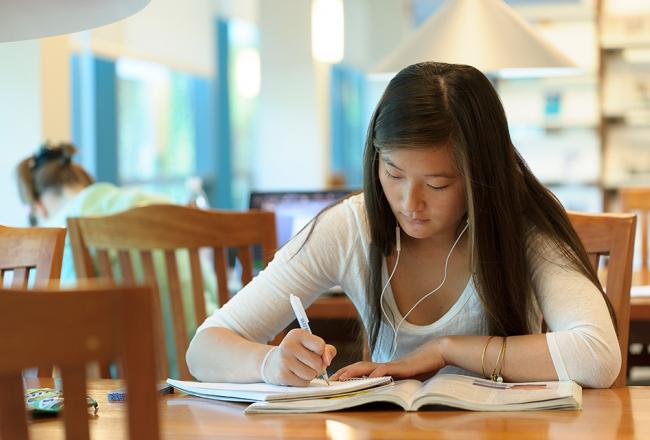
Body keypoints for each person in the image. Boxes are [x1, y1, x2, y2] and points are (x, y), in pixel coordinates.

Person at [186, 62, 620, 388]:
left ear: (482, 177)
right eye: (393, 174)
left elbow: (598, 355)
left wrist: (445, 351)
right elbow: (204, 348)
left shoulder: (523, 227)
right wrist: (268, 364)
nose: (409, 204)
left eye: (437, 183)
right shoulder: (350, 228)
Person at [16, 142, 216, 378]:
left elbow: (59, 329)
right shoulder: (161, 203)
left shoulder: (64, 227)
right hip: (207, 370)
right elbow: (211, 291)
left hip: (126, 388)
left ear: (38, 206)